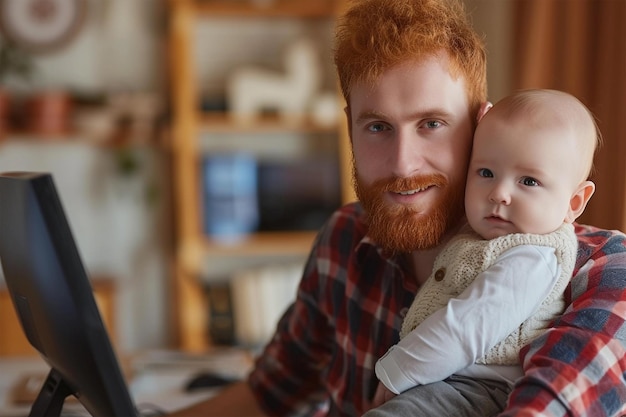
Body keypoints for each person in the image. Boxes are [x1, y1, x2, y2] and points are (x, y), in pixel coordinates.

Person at [169, 0, 626, 415]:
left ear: (479, 123)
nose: (403, 163)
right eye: (378, 127)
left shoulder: (603, 271)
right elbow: (268, 394)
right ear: (349, 127)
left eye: (431, 124)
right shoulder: (345, 240)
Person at [368, 89, 597, 415]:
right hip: (447, 381)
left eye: (529, 181)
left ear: (573, 203)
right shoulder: (476, 236)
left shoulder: (534, 258)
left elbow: (466, 329)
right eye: (486, 173)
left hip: (479, 391)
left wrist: (397, 372)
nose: (499, 193)